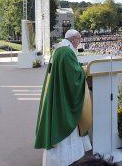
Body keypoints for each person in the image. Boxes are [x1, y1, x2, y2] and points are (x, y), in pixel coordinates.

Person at [34, 29, 92, 166]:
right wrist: (84, 69)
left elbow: (66, 69)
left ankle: (62, 158)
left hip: (58, 90)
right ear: (73, 39)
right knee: (65, 120)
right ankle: (64, 159)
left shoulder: (60, 49)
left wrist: (77, 67)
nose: (79, 42)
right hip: (64, 95)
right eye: (79, 39)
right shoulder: (66, 52)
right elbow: (73, 76)